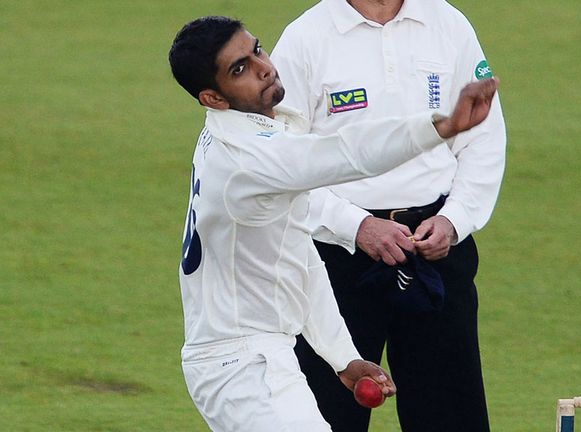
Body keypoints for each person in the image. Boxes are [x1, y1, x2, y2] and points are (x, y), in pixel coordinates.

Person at [168, 16, 499, 432]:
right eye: (240, 69)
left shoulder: (240, 137)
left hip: (257, 355)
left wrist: (344, 358)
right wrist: (440, 127)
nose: (263, 67)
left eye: (257, 50)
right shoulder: (253, 159)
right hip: (243, 367)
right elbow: (345, 153)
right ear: (213, 98)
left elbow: (301, 257)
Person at [270, 1, 507, 431]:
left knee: (450, 414)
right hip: (335, 257)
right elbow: (282, 162)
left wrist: (454, 219)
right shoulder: (305, 37)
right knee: (325, 415)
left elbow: (483, 137)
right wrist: (356, 225)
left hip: (435, 250)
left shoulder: (448, 23)